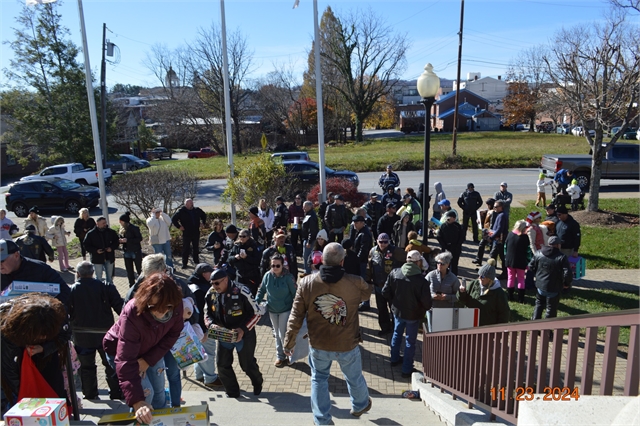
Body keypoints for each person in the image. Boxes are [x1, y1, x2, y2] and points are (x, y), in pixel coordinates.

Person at [284, 243, 372, 425]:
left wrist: (289, 342)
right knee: (354, 377)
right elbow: (366, 295)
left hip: (318, 343)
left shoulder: (306, 283)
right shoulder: (355, 282)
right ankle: (360, 404)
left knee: (318, 379)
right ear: (342, 261)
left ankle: (322, 420)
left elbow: (295, 316)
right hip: (347, 342)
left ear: (322, 260)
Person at [103, 273, 184, 423]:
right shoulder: (132, 313)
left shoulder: (176, 304)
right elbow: (125, 359)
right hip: (121, 352)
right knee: (146, 394)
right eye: (155, 307)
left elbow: (173, 334)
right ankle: (139, 419)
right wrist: (137, 402)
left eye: (167, 307)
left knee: (159, 392)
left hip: (150, 351)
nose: (162, 312)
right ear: (146, 301)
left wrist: (148, 360)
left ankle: (160, 422)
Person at [124, 254, 200, 409]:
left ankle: (176, 406)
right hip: (149, 344)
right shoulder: (136, 290)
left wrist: (191, 319)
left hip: (173, 340)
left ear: (165, 271)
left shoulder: (177, 285)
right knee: (152, 384)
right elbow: (125, 319)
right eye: (148, 277)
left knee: (172, 373)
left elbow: (194, 308)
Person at [0, 293, 68, 415]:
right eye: (40, 334)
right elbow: (8, 369)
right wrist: (25, 396)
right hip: (14, 366)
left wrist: (44, 348)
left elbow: (64, 335)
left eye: (46, 335)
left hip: (46, 361)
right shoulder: (7, 331)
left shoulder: (56, 315)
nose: (43, 337)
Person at [69, 261, 124, 400]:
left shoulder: (71, 290)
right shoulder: (106, 287)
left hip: (82, 336)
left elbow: (66, 313)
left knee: (86, 367)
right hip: (105, 334)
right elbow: (122, 309)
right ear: (93, 272)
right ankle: (116, 393)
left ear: (78, 274)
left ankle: (90, 394)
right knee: (111, 365)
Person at [205, 268, 263, 399]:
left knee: (247, 365)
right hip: (224, 334)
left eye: (217, 283)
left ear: (226, 280)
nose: (214, 286)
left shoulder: (243, 291)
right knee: (222, 365)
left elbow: (257, 313)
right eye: (212, 283)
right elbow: (207, 313)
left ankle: (257, 381)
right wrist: (211, 325)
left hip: (244, 334)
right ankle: (232, 392)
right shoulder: (211, 293)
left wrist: (242, 329)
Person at [382, 250, 432, 378]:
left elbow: (385, 291)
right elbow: (427, 303)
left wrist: (394, 302)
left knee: (397, 334)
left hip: (398, 311)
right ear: (417, 262)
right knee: (410, 341)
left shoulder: (395, 273)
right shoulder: (421, 281)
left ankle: (394, 359)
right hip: (413, 315)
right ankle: (406, 368)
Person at [1, 239, 69, 308]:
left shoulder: (40, 269)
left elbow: (65, 292)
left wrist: (42, 307)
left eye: (2, 261)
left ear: (16, 255)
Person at [256, 254, 297, 367]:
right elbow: (262, 290)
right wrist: (256, 302)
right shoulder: (267, 276)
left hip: (285, 309)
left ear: (282, 265)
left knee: (283, 333)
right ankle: (280, 356)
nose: (275, 268)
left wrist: (298, 309)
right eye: (273, 265)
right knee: (277, 333)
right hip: (272, 309)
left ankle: (290, 355)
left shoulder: (288, 277)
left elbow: (295, 293)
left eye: (277, 265)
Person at [186, 263, 223, 388]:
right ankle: (210, 378)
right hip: (203, 327)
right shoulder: (200, 290)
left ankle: (199, 374)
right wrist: (205, 331)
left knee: (199, 351)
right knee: (209, 351)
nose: (212, 275)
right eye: (210, 272)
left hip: (192, 327)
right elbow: (201, 312)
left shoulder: (191, 284)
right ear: (203, 274)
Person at [367, 233, 404, 335]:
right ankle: (385, 329)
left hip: (392, 287)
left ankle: (396, 329)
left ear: (389, 242)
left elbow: (407, 260)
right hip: (378, 285)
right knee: (382, 309)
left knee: (394, 309)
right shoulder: (373, 251)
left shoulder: (396, 251)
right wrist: (368, 280)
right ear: (377, 241)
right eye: (381, 242)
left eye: (385, 242)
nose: (383, 244)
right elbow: (369, 266)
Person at [529, 236, 573, 320]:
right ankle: (547, 330)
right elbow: (568, 273)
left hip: (540, 285)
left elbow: (531, 266)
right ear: (557, 245)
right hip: (554, 287)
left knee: (539, 304)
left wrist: (537, 275)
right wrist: (566, 284)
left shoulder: (538, 253)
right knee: (551, 309)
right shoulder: (561, 257)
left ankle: (534, 326)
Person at [457, 260, 510, 326]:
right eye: (479, 275)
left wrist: (498, 330)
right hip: (469, 324)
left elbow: (504, 313)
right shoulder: (474, 283)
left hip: (486, 329)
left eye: (482, 277)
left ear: (489, 279)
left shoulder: (499, 293)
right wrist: (462, 292)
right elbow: (462, 300)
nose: (479, 278)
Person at [171, 198, 207, 269]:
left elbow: (204, 215)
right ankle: (184, 263)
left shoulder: (196, 210)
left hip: (196, 232)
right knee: (186, 248)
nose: (192, 205)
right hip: (187, 233)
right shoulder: (181, 211)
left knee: (196, 247)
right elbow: (173, 219)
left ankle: (196, 262)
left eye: (192, 203)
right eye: (190, 204)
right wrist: (179, 226)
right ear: (186, 204)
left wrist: (203, 222)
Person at [84, 217, 119, 284]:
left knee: (109, 278)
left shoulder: (110, 232)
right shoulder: (91, 234)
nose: (105, 224)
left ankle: (110, 291)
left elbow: (116, 242)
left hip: (109, 258)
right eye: (103, 223)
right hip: (97, 259)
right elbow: (86, 245)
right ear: (97, 223)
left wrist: (111, 248)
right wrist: (95, 250)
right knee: (98, 278)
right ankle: (99, 292)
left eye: (105, 223)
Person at [504, 220, 532, 303]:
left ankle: (510, 296)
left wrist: (506, 257)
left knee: (510, 278)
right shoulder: (525, 237)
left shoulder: (510, 234)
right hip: (521, 261)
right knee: (521, 279)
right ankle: (521, 298)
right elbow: (528, 251)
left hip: (509, 260)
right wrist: (528, 261)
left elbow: (505, 247)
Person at [227, 229, 261, 296]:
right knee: (240, 296)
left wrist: (246, 257)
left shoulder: (253, 246)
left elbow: (258, 260)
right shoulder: (236, 246)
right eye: (240, 236)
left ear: (248, 237)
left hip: (251, 276)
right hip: (239, 276)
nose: (241, 238)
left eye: (244, 236)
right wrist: (235, 258)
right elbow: (229, 259)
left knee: (251, 296)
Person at [119, 212, 143, 287]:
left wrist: (127, 240)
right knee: (129, 270)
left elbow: (139, 238)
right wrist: (121, 241)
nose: (120, 222)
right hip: (127, 251)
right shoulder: (122, 229)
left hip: (135, 251)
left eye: (121, 221)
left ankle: (142, 284)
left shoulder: (134, 228)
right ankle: (131, 285)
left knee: (139, 269)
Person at [436, 211, 464, 275]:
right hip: (446, 248)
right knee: (445, 263)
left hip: (455, 248)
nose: (448, 219)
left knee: (454, 264)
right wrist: (444, 245)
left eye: (451, 217)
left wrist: (458, 245)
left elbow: (462, 237)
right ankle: (444, 276)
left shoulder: (458, 226)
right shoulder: (443, 226)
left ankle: (454, 277)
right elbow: (439, 237)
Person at [488, 200, 509, 279]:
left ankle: (504, 273)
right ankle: (490, 271)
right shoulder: (501, 214)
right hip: (498, 239)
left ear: (501, 207)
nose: (494, 208)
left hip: (499, 240)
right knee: (494, 255)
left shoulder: (502, 215)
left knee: (500, 256)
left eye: (496, 207)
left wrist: (491, 237)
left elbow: (500, 228)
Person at [472, 198, 496, 265]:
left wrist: (490, 233)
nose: (487, 206)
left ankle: (492, 263)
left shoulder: (493, 212)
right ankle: (478, 259)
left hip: (489, 232)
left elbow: (491, 223)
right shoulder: (488, 211)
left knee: (492, 248)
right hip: (486, 231)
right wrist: (479, 220)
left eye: (488, 204)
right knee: (481, 245)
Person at [301, 200, 319, 275]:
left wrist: (309, 241)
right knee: (306, 256)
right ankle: (307, 271)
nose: (303, 208)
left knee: (307, 256)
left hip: (310, 240)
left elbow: (312, 230)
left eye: (305, 206)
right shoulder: (307, 214)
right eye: (303, 206)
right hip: (306, 239)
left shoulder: (312, 216)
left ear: (310, 207)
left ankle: (308, 272)